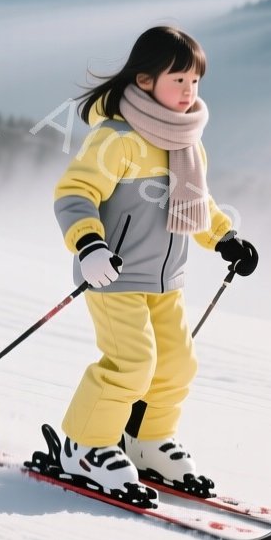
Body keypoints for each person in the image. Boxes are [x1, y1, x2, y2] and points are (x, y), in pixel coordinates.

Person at [50, 25, 259, 505]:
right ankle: (84, 446)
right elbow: (74, 194)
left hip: (165, 281)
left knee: (176, 364)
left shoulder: (187, 141)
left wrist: (226, 239)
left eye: (195, 82)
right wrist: (89, 247)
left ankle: (145, 442)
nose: (189, 92)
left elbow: (196, 205)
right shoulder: (116, 139)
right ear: (144, 81)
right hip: (113, 275)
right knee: (131, 362)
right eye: (178, 80)